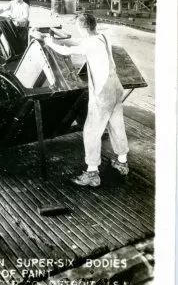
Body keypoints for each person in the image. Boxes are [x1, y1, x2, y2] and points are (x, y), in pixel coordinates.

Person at [36, 13, 129, 187]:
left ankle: (92, 173)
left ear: (83, 27)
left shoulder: (90, 43)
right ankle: (122, 163)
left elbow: (67, 51)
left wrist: (47, 41)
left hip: (103, 92)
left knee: (91, 131)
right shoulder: (101, 37)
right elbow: (78, 43)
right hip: (116, 87)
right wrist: (57, 40)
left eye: (78, 27)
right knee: (117, 125)